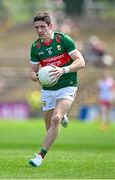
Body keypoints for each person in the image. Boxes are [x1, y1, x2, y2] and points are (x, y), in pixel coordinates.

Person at [29, 12, 85, 167]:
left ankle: (40, 156)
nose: (39, 30)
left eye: (42, 27)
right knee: (50, 127)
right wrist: (38, 77)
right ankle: (63, 116)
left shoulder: (63, 40)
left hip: (67, 85)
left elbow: (81, 62)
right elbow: (32, 73)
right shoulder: (36, 47)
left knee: (55, 119)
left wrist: (63, 70)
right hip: (48, 89)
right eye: (36, 27)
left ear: (50, 26)